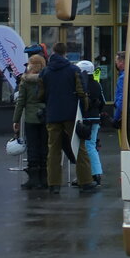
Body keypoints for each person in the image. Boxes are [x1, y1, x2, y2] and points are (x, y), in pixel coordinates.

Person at [40, 42, 85, 195]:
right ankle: (85, 181)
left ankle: (53, 184)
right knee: (78, 147)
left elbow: (40, 94)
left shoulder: (45, 72)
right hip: (71, 114)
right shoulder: (74, 70)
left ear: (53, 52)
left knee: (53, 150)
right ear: (65, 53)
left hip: (52, 114)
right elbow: (81, 92)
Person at [12, 53, 47, 190]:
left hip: (31, 118)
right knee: (45, 147)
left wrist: (16, 120)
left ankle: (33, 179)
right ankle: (45, 179)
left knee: (32, 148)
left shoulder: (25, 80)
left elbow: (21, 102)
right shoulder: (47, 79)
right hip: (45, 117)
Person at [76, 60, 105, 192]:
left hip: (85, 119)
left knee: (86, 147)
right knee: (91, 146)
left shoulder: (82, 85)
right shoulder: (97, 84)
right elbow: (102, 102)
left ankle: (92, 175)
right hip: (95, 119)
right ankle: (94, 174)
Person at [111, 51, 125, 129]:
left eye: (116, 61)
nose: (115, 63)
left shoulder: (123, 78)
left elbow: (122, 99)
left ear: (121, 62)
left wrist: (116, 118)